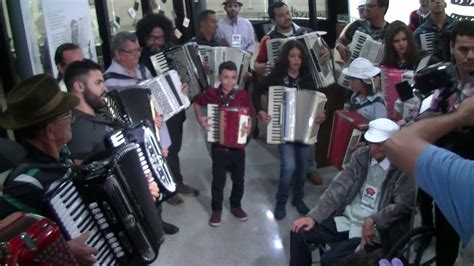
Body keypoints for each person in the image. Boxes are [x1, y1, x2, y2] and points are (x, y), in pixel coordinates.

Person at [64, 59, 177, 235]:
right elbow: (90, 176)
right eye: (98, 83)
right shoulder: (77, 128)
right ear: (79, 86)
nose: (104, 88)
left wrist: (150, 150)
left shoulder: (98, 112)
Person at [0, 74, 99, 264]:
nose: (72, 118)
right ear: (50, 130)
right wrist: (63, 249)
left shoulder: (61, 156)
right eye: (67, 114)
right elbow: (7, 250)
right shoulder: (26, 184)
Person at [289, 118, 415, 266]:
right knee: (298, 232)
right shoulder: (361, 156)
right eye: (371, 142)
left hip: (374, 231)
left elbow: (404, 205)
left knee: (329, 260)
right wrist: (313, 216)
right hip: (348, 219)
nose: (374, 148)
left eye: (380, 144)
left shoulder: (403, 166)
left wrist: (374, 219)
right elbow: (338, 188)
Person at [412, 19, 474, 265]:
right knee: (444, 222)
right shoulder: (440, 74)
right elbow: (424, 112)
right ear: (451, 47)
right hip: (440, 154)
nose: (471, 56)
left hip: (468, 163)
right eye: (464, 49)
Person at [384, 97, 474, 265]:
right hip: (436, 152)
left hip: (458, 161)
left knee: (448, 227)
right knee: (427, 203)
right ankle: (427, 231)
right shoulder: (441, 80)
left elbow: (398, 144)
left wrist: (460, 115)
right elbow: (417, 112)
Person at [253, 41, 327, 220]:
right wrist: (260, 111)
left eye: (300, 57)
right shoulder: (277, 76)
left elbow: (320, 103)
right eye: (292, 56)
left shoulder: (308, 78)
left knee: (302, 167)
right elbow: (257, 91)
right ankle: (281, 200)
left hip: (303, 131)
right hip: (282, 129)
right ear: (286, 57)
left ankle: (298, 198)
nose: (296, 60)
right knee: (288, 166)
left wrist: (321, 115)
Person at [193, 61, 252, 227]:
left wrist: (249, 127)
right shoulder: (211, 93)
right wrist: (200, 118)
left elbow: (248, 117)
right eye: (226, 77)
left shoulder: (242, 95)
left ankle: (236, 205)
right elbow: (197, 102)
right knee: (218, 180)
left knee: (239, 179)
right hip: (218, 146)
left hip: (238, 148)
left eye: (233, 78)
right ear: (219, 77)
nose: (230, 81)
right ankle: (216, 209)